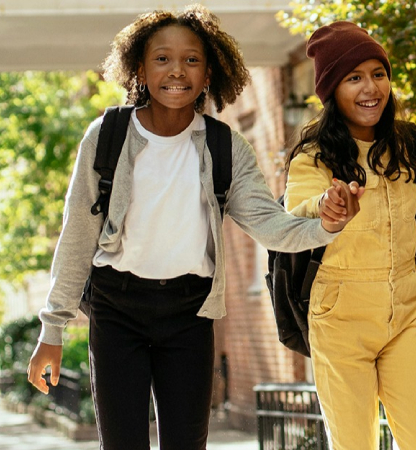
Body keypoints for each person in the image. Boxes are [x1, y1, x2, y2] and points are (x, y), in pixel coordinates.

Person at [24, 5, 363, 449]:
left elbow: (269, 224)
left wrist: (327, 223)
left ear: (209, 74)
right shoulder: (107, 136)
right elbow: (77, 237)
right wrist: (53, 328)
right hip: (116, 309)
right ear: (140, 70)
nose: (177, 70)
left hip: (190, 313)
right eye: (162, 58)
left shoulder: (225, 146)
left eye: (192, 60)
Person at [284, 21, 416, 450]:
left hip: (407, 312)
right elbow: (295, 219)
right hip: (339, 316)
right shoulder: (313, 156)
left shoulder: (409, 146)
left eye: (378, 74)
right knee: (353, 445)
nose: (371, 88)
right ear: (332, 91)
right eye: (354, 78)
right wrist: (328, 207)